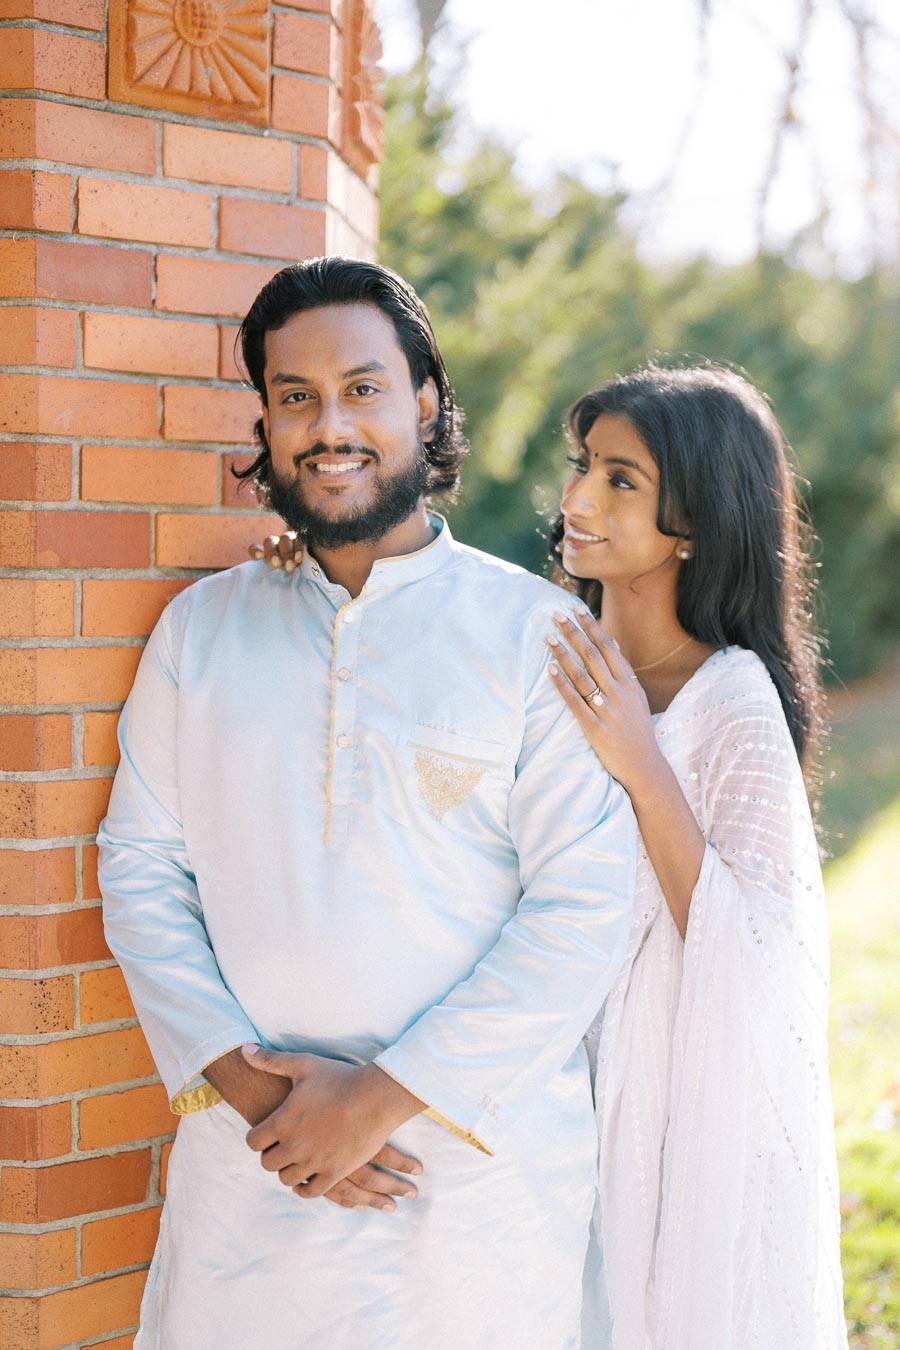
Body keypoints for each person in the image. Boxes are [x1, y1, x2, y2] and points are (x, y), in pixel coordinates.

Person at [97, 257, 637, 1350]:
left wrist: (381, 1099)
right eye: (295, 396)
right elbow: (138, 867)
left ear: (424, 404)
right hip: (252, 1178)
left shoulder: (534, 636)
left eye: (361, 388)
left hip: (469, 1191)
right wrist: (257, 1097)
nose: (327, 424)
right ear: (264, 418)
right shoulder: (200, 632)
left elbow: (583, 908)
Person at [258, 360, 848, 1348]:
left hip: (665, 1115)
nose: (577, 497)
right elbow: (408, 678)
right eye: (584, 466)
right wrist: (305, 566)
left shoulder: (732, 699)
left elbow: (767, 960)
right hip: (521, 1086)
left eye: (622, 480)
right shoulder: (537, 640)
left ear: (695, 523)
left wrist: (641, 761)